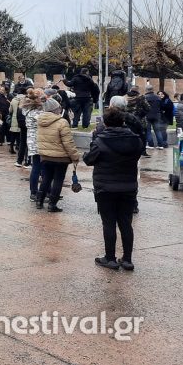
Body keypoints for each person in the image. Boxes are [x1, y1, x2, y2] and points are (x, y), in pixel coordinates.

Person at [83, 108, 143, 271]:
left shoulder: (100, 140)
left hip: (106, 187)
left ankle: (110, 258)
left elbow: (89, 160)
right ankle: (127, 259)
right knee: (126, 222)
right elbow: (138, 155)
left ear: (106, 122)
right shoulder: (135, 139)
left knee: (108, 222)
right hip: (128, 186)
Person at [36, 97, 80, 212]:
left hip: (45, 155)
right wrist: (75, 156)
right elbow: (68, 143)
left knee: (46, 178)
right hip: (60, 158)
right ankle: (52, 204)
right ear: (55, 109)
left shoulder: (40, 121)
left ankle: (39, 201)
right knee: (58, 180)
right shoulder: (62, 122)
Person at [22, 89, 45, 201]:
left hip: (31, 139)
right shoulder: (37, 113)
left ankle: (36, 191)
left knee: (37, 166)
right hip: (38, 140)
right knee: (38, 167)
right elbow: (45, 122)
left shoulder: (27, 111)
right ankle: (35, 192)